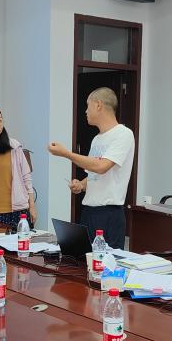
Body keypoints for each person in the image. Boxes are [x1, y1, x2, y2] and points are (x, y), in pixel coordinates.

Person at [48, 87, 135, 249]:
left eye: (88, 106)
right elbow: (95, 175)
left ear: (98, 105)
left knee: (105, 261)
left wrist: (66, 153)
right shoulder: (97, 139)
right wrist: (81, 185)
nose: (86, 111)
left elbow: (102, 167)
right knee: (82, 258)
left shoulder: (123, 134)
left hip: (108, 213)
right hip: (89, 212)